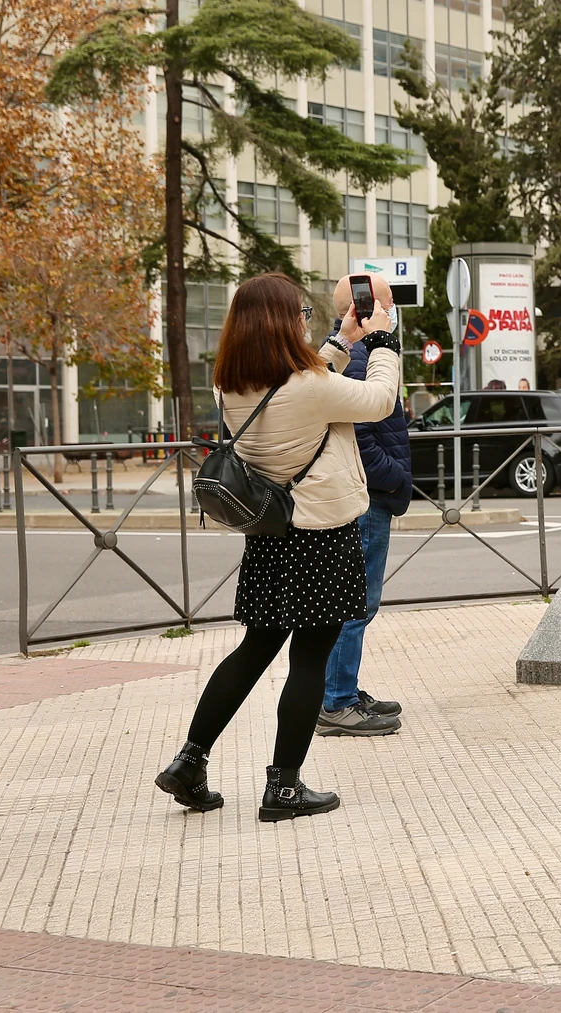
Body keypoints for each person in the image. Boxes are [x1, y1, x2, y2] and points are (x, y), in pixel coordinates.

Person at [153, 272, 400, 822]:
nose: (304, 324)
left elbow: (302, 384)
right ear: (284, 323)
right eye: (301, 317)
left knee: (252, 652)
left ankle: (189, 761)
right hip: (323, 538)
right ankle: (284, 789)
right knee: (309, 660)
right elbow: (379, 400)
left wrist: (342, 341)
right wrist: (381, 342)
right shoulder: (308, 387)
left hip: (271, 536)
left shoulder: (233, 384)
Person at [317, 274, 409, 737]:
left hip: (364, 496)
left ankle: (342, 689)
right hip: (368, 499)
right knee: (357, 603)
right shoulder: (360, 360)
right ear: (369, 309)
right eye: (389, 306)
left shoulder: (353, 357)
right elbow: (363, 439)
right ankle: (337, 701)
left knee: (352, 601)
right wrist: (395, 478)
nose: (394, 315)